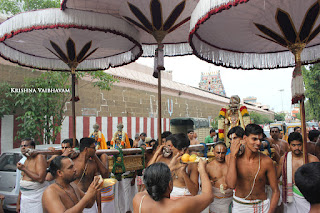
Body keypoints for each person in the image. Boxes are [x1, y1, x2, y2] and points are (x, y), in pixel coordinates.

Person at [226, 124, 280, 212]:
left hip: (262, 206)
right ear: (244, 138)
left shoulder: (266, 161)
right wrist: (233, 156)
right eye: (254, 139)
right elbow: (231, 185)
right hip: (240, 206)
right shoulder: (231, 158)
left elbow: (276, 191)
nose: (258, 143)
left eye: (260, 139)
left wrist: (270, 211)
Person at [132, 160, 214, 213]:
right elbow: (208, 196)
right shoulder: (179, 206)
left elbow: (152, 184)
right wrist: (202, 170)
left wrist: (169, 168)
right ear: (170, 185)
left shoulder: (139, 199)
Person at [277, 132, 319, 213]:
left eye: (299, 145)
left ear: (303, 144)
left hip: (307, 195)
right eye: (294, 145)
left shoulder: (312, 159)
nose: (297, 148)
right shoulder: (284, 159)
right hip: (291, 194)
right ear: (289, 145)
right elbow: (277, 177)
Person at [148, 133, 199, 199]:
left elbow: (194, 192)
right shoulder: (163, 159)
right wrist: (157, 153)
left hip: (186, 200)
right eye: (179, 149)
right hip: (167, 200)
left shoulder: (191, 163)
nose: (182, 153)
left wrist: (183, 173)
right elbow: (148, 173)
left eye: (184, 149)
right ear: (171, 147)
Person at [72, 137, 109, 213]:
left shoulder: (93, 165)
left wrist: (99, 209)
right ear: (86, 149)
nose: (95, 150)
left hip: (90, 200)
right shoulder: (72, 163)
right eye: (93, 148)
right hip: (76, 200)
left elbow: (97, 186)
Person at [16, 138, 48, 213]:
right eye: (21, 146)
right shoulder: (26, 160)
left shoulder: (39, 157)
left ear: (32, 147)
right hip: (25, 201)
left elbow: (40, 179)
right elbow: (22, 185)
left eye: (25, 145)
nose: (23, 148)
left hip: (36, 200)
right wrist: (18, 203)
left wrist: (24, 168)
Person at [206, 142, 232, 213]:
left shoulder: (230, 164)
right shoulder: (208, 167)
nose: (220, 156)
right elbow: (202, 186)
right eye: (218, 152)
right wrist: (208, 183)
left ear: (226, 152)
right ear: (213, 152)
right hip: (215, 201)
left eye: (223, 153)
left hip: (230, 200)